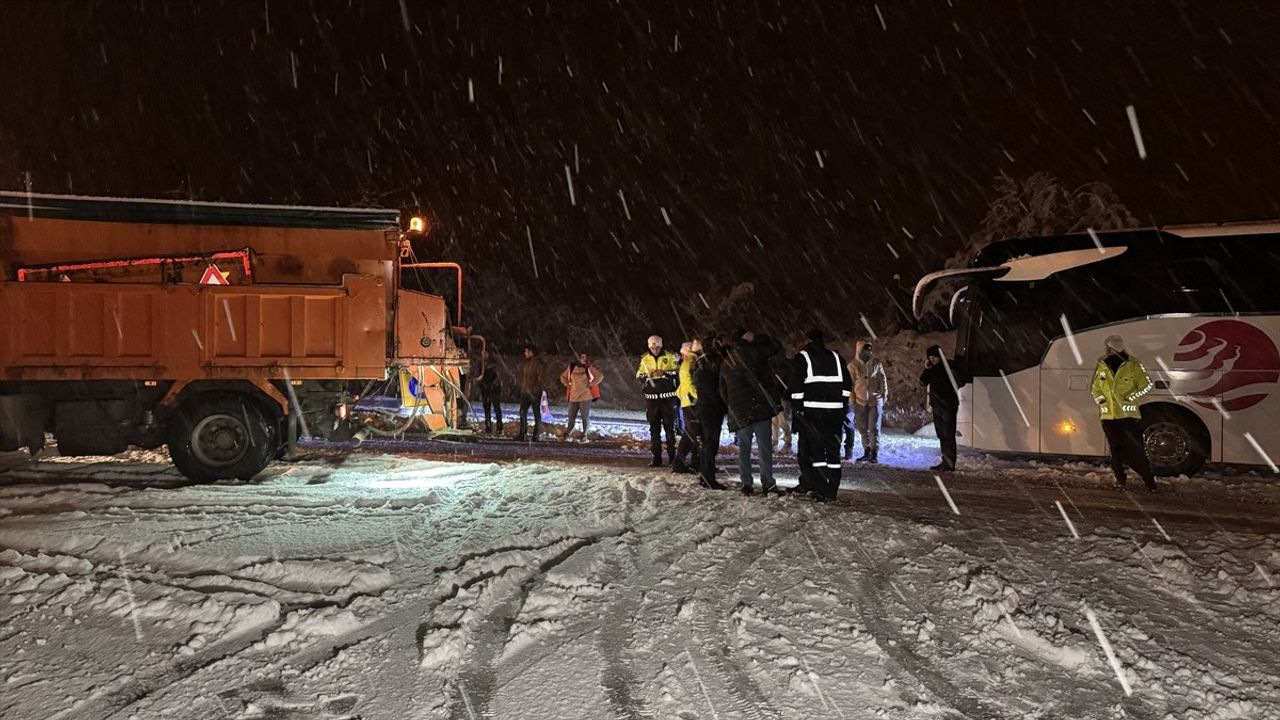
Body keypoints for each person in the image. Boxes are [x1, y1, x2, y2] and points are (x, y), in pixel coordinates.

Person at [790, 329, 852, 502]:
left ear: (807, 340)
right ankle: (832, 489)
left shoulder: (802, 357)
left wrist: (798, 410)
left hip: (813, 413)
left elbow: (797, 388)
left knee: (816, 452)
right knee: (833, 452)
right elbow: (847, 385)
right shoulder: (836, 357)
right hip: (835, 414)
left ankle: (820, 488)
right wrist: (842, 405)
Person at [1091, 334, 1157, 491]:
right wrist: (1101, 400)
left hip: (1128, 418)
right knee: (1115, 450)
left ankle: (1149, 480)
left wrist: (1130, 397)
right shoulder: (1102, 365)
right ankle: (1120, 479)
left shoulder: (1134, 365)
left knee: (1136, 450)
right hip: (1109, 417)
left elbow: (1147, 385)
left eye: (1108, 347)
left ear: (1114, 348)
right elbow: (1095, 388)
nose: (1106, 350)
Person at [720, 329, 783, 495]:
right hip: (759, 409)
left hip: (740, 413)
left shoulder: (728, 361)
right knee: (764, 448)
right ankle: (768, 483)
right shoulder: (756, 353)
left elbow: (722, 389)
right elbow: (775, 347)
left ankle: (746, 483)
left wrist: (733, 405)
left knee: (744, 449)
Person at [636, 335, 680, 467]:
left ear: (661, 346)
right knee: (654, 430)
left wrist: (665, 374)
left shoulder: (670, 356)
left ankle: (672, 457)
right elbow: (639, 376)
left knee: (670, 429)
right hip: (652, 400)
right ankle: (656, 457)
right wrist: (648, 376)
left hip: (667, 399)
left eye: (657, 347)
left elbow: (678, 373)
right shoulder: (645, 359)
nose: (655, 349)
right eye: (652, 347)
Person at [692, 334, 728, 490]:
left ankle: (705, 474)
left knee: (707, 443)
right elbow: (718, 388)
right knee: (710, 443)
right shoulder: (715, 364)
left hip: (703, 407)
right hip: (711, 408)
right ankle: (708, 477)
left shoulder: (701, 363)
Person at [920, 344, 959, 471]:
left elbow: (958, 380)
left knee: (948, 434)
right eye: (930, 358)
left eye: (934, 358)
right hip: (937, 405)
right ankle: (945, 461)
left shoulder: (948, 366)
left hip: (948, 405)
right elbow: (922, 382)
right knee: (941, 434)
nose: (932, 360)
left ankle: (950, 463)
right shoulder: (932, 369)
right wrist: (927, 369)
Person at [849, 340, 888, 463]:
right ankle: (867, 451)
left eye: (869, 350)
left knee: (874, 428)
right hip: (860, 402)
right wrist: (852, 401)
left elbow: (882, 379)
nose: (868, 352)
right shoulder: (853, 365)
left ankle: (874, 452)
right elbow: (850, 385)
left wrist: (884, 394)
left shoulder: (876, 364)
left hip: (875, 401)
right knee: (863, 428)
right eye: (865, 350)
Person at [673, 340, 703, 473]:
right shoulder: (690, 363)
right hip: (691, 403)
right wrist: (698, 396)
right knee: (692, 433)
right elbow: (690, 383)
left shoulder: (688, 363)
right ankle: (682, 463)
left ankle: (687, 462)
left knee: (690, 433)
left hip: (687, 401)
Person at [560, 352, 603, 441]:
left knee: (585, 417)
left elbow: (600, 376)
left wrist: (592, 383)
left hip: (585, 396)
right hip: (573, 397)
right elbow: (563, 377)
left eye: (585, 357)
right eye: (582, 357)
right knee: (571, 417)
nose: (584, 359)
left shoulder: (589, 367)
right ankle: (567, 433)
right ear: (578, 358)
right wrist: (567, 384)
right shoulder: (572, 367)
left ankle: (584, 435)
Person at [516, 344, 548, 442]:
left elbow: (541, 379)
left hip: (534, 393)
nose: (525, 353)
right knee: (522, 412)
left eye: (526, 351)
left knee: (536, 413)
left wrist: (534, 390)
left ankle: (536, 435)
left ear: (531, 352)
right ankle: (522, 434)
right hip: (525, 392)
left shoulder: (539, 363)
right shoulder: (528, 363)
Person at [770, 347, 794, 455]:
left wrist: (785, 393)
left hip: (782, 398)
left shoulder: (785, 367)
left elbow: (790, 383)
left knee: (783, 421)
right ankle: (774, 442)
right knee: (775, 421)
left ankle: (787, 443)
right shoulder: (774, 367)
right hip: (776, 397)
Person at [476, 349, 502, 435]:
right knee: (487, 409)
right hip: (485, 389)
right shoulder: (481, 364)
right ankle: (488, 426)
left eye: (485, 353)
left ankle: (499, 427)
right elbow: (479, 376)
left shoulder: (493, 365)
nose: (483, 355)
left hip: (493, 390)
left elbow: (497, 377)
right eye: (482, 353)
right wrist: (481, 384)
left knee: (496, 408)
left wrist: (492, 384)